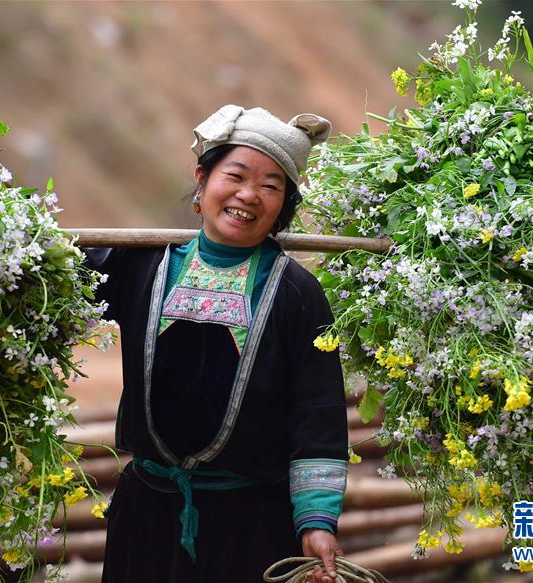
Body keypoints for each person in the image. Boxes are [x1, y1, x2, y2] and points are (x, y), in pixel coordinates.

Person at [86, 104, 348, 583]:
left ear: (285, 206)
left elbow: (318, 414)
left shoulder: (297, 295)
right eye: (236, 175)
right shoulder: (141, 265)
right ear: (202, 179)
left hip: (252, 529)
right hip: (146, 519)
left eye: (271, 186)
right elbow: (45, 265)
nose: (249, 195)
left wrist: (316, 521)